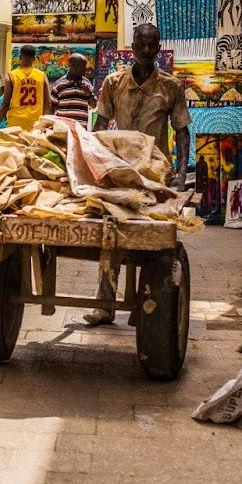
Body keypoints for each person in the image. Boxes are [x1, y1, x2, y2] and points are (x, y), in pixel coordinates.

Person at [85, 21, 190, 325]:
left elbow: (182, 132)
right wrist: (92, 164)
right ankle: (104, 304)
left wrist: (182, 174)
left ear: (159, 47)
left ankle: (147, 302)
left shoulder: (171, 86)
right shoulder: (114, 83)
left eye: (151, 45)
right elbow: (100, 126)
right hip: (120, 172)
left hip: (156, 175)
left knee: (153, 240)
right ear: (132, 48)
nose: (146, 50)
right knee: (111, 233)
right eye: (140, 45)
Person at [0, 44, 49, 130]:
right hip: (35, 125)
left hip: (15, 125)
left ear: (20, 57)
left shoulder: (11, 75)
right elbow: (48, 103)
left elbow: (5, 104)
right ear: (34, 59)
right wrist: (43, 123)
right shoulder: (42, 76)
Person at [50, 53, 97, 126]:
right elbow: (51, 108)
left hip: (81, 129)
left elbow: (94, 105)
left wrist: (89, 93)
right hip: (63, 129)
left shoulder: (87, 83)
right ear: (72, 66)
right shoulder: (59, 84)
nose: (85, 69)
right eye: (82, 66)